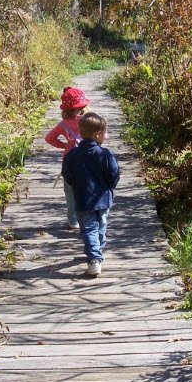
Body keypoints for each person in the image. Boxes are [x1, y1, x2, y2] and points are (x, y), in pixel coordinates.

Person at [62, 112, 120, 277]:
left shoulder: (72, 155)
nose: (106, 135)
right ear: (97, 134)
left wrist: (76, 185)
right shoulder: (106, 154)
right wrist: (109, 187)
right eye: (105, 132)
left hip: (83, 198)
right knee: (101, 226)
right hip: (103, 198)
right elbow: (114, 174)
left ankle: (95, 256)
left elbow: (67, 175)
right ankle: (96, 255)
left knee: (89, 228)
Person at [44, 87, 89, 229]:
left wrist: (64, 145)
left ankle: (73, 220)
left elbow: (49, 138)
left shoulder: (63, 124)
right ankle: (87, 217)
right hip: (87, 159)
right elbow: (104, 135)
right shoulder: (88, 121)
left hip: (69, 161)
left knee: (70, 191)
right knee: (87, 188)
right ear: (82, 106)